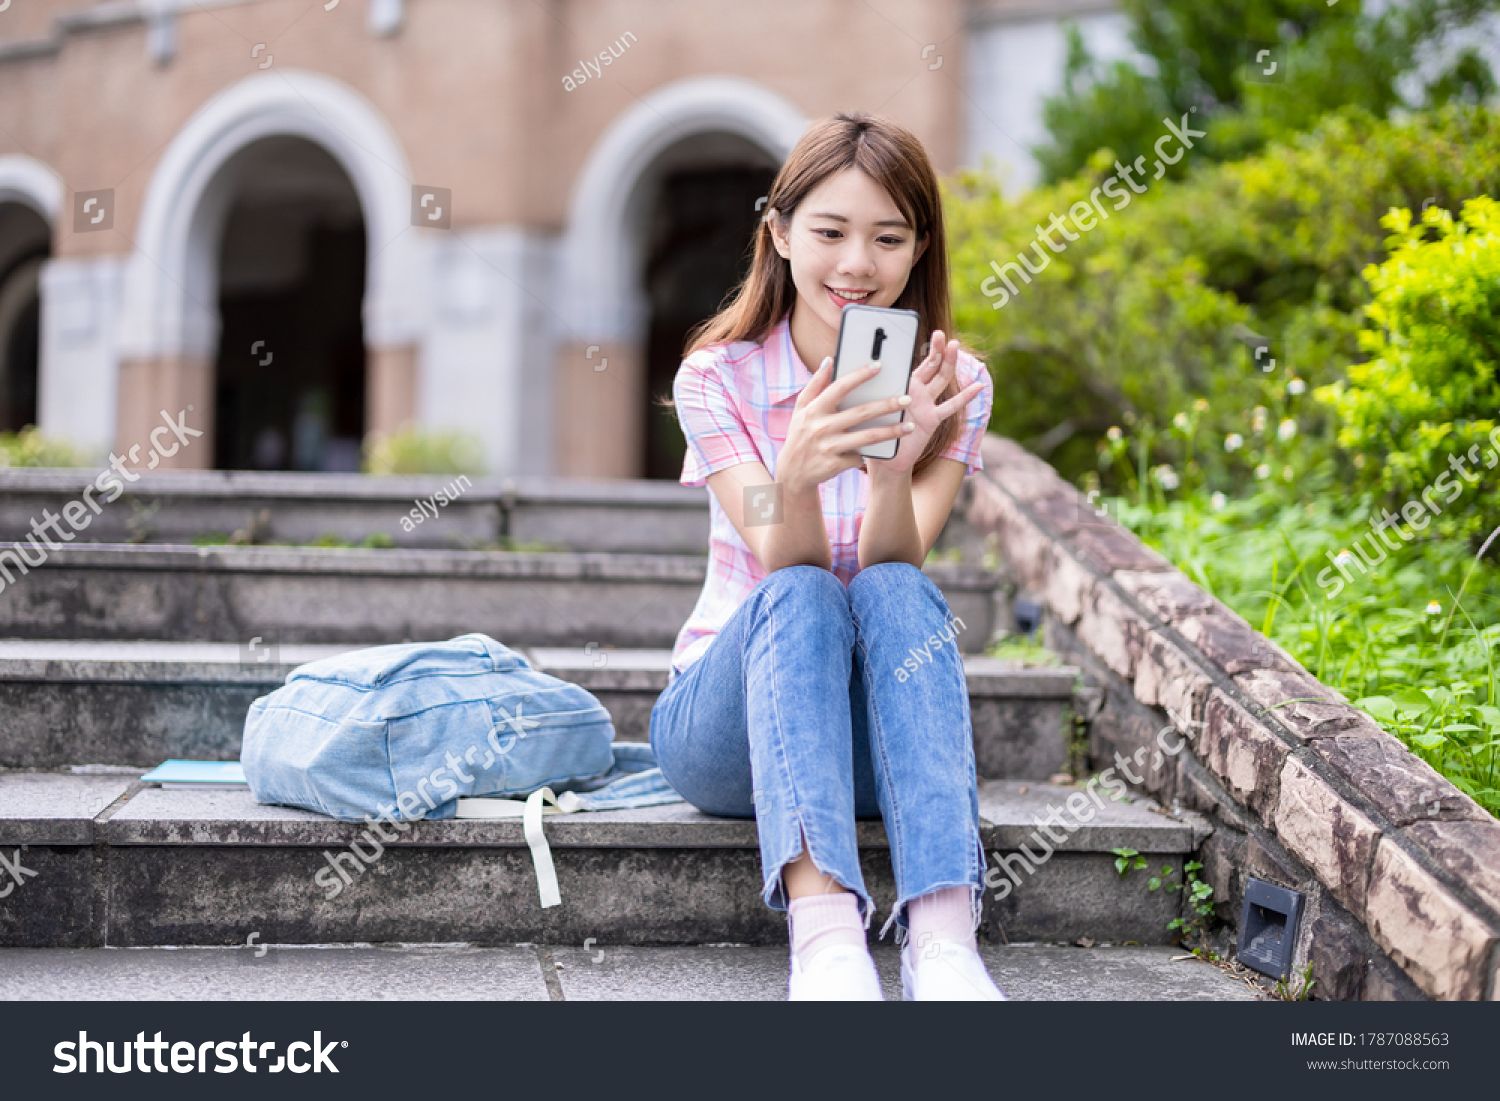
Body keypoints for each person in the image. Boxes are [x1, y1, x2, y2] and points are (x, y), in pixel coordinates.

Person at [649, 111, 1004, 1001]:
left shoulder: (953, 385)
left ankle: (946, 944)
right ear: (778, 231)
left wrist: (891, 472)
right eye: (830, 232)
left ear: (920, 248)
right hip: (727, 725)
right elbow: (783, 562)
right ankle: (828, 938)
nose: (857, 264)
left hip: (865, 740)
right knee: (804, 590)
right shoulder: (717, 378)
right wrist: (798, 474)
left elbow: (900, 558)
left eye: (888, 237)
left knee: (893, 586)